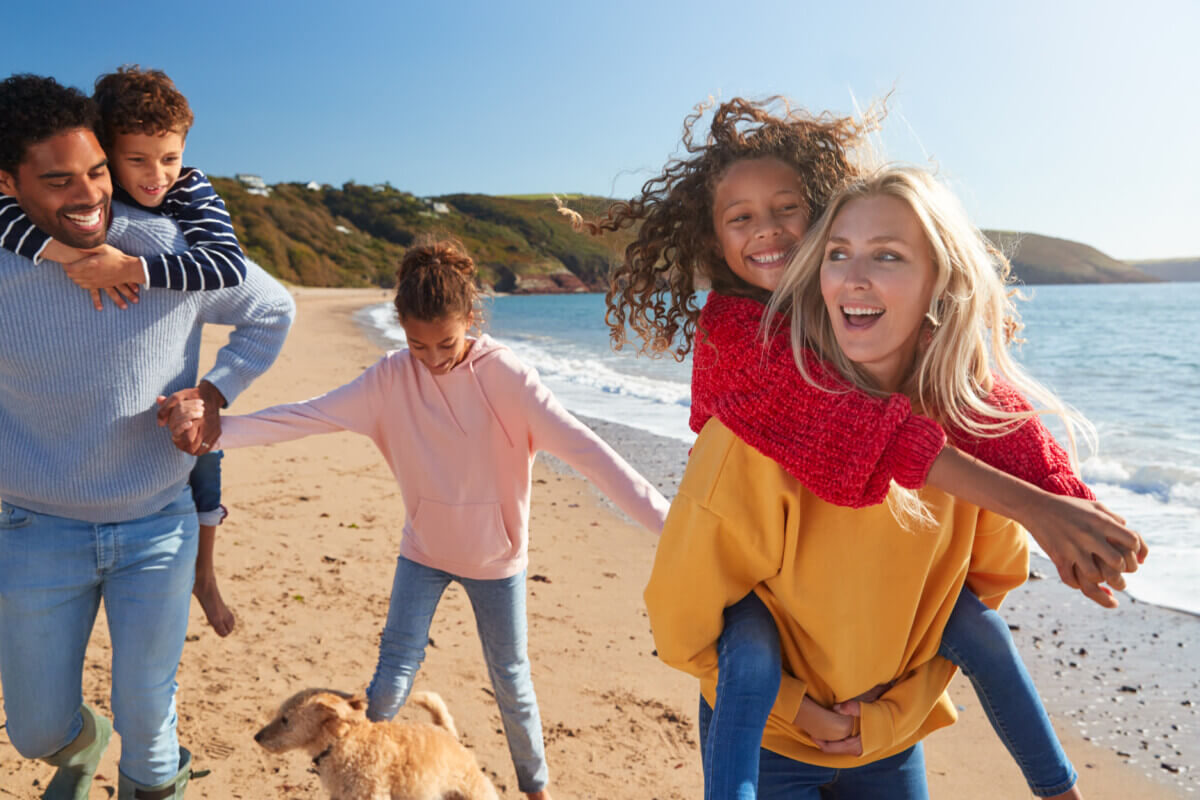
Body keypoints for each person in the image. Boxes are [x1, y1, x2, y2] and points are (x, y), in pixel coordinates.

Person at [565, 98, 1145, 798]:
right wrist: (1039, 510)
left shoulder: (913, 361)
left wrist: (1075, 510)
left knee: (976, 625)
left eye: (789, 211)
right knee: (747, 654)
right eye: (739, 218)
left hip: (885, 732)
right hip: (754, 609)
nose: (768, 232)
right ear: (712, 240)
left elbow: (1001, 420)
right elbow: (861, 432)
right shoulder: (738, 341)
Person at [161, 236, 671, 800]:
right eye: (416, 345)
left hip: (496, 559)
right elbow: (304, 418)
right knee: (391, 675)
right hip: (423, 550)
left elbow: (593, 456)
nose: (431, 359)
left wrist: (673, 529)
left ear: (471, 318)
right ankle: (365, 772)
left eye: (445, 343)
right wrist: (213, 432)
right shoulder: (389, 378)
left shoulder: (509, 380)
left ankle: (535, 790)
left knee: (511, 680)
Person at [0, 73, 294, 799]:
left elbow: (272, 310)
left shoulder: (162, 245)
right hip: (34, 526)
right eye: (59, 179)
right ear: (8, 184)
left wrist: (214, 393)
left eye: (99, 171)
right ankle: (81, 743)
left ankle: (153, 773)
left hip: (157, 526)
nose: (90, 195)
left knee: (150, 730)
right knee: (34, 731)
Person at [0, 65, 246, 637]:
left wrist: (131, 266)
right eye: (135, 161)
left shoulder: (189, 192)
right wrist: (69, 257)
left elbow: (228, 267)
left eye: (170, 156)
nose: (158, 175)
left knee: (203, 467)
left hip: (165, 433)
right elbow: (7, 219)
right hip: (41, 501)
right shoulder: (56, 208)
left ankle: (205, 575)